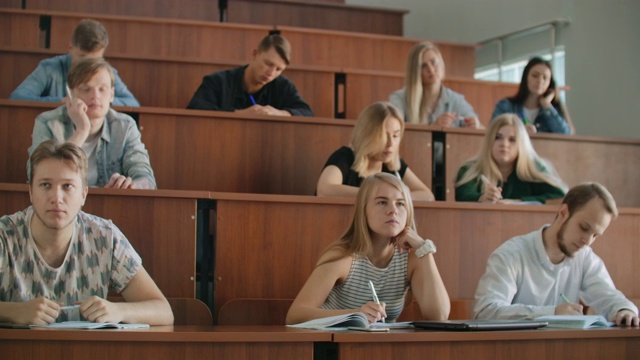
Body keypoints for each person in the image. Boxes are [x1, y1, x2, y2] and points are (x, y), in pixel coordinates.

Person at [0, 140, 173, 326]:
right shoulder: (5, 235)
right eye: (45, 185)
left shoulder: (105, 237)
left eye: (67, 186)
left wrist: (118, 310)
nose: (56, 198)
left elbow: (163, 311)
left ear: (83, 195)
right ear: (31, 193)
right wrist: (12, 311)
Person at [286, 173, 450, 325]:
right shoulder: (343, 256)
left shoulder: (413, 257)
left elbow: (439, 316)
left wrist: (424, 250)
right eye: (382, 202)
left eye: (400, 203)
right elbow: (295, 316)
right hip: (333, 345)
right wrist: (357, 314)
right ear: (363, 210)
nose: (393, 210)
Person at [474, 183, 639, 327]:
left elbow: (609, 296)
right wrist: (552, 312)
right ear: (563, 213)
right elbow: (485, 311)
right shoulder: (511, 254)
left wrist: (624, 310)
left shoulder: (585, 257)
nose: (587, 241)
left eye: (595, 235)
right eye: (583, 227)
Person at [28, 57, 156, 189]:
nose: (95, 96)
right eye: (85, 89)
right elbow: (37, 176)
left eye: (102, 89)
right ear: (70, 94)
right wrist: (82, 130)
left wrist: (131, 186)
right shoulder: (47, 123)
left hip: (108, 205)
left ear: (112, 94)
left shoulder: (125, 126)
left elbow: (148, 180)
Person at [316, 102, 435, 201]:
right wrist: (378, 193)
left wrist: (398, 196)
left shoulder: (393, 164)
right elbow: (324, 190)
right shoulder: (345, 156)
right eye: (383, 136)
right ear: (367, 135)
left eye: (395, 136)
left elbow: (427, 196)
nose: (390, 144)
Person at [10, 19, 139, 107]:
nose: (88, 65)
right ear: (71, 48)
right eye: (82, 57)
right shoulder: (48, 68)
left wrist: (101, 101)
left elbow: (133, 104)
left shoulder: (107, 72)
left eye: (94, 60)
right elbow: (17, 97)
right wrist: (62, 101)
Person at [187, 34, 313, 117]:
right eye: (268, 63)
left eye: (279, 69)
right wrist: (239, 114)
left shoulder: (284, 86)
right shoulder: (217, 82)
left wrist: (279, 113)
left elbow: (307, 113)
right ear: (255, 54)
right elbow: (195, 111)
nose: (271, 73)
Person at [455, 113, 566, 204]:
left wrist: (517, 202)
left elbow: (560, 197)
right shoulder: (470, 169)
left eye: (512, 140)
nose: (504, 144)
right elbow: (463, 196)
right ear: (489, 141)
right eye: (498, 137)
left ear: (521, 145)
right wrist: (482, 198)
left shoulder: (534, 167)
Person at [389, 41, 483, 129]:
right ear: (415, 71)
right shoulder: (399, 99)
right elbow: (394, 133)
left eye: (433, 62)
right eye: (423, 66)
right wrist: (433, 128)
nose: (431, 70)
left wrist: (476, 125)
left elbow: (483, 131)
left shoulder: (456, 100)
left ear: (441, 63)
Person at [491, 57, 573, 135]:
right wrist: (519, 131)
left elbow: (565, 135)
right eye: (535, 75)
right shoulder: (506, 106)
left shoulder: (553, 110)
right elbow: (492, 132)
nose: (540, 81)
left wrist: (547, 105)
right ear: (526, 77)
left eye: (545, 78)